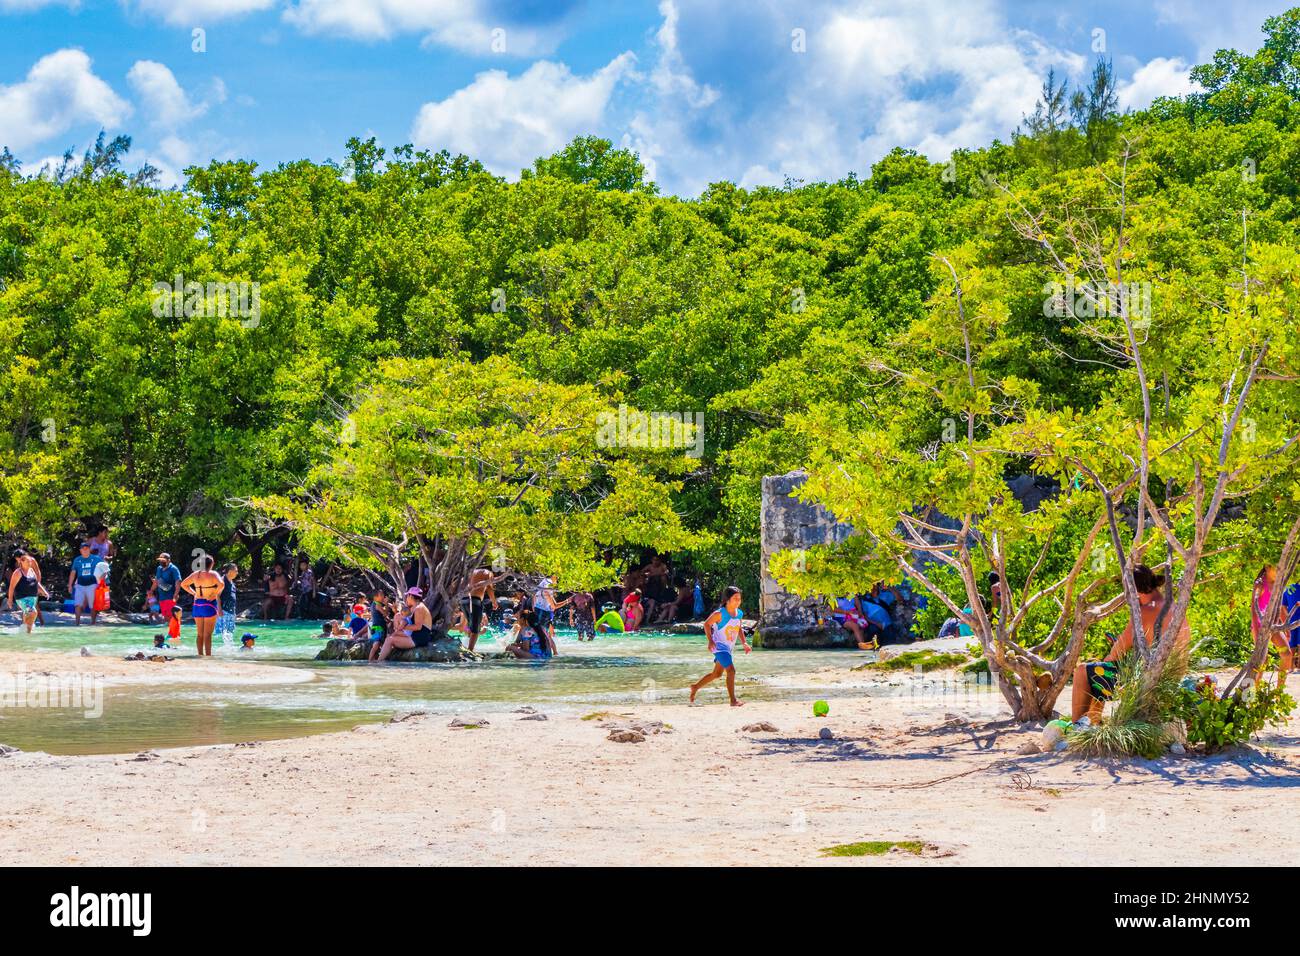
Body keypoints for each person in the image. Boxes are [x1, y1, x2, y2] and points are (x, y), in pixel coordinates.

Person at [1071, 564, 1191, 724]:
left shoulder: (1145, 610)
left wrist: (1108, 659)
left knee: (1084, 671)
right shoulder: (1172, 605)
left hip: (1148, 682)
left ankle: (1077, 727)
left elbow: (1116, 652)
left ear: (1134, 590)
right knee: (1102, 672)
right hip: (1171, 678)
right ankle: (1093, 722)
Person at [689, 586, 750, 706]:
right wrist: (710, 641)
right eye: (735, 598)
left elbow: (739, 629)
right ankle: (733, 701)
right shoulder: (719, 613)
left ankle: (695, 687)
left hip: (728, 648)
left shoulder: (739, 613)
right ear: (727, 599)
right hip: (719, 646)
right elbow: (706, 624)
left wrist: (744, 642)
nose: (738, 601)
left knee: (717, 674)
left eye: (739, 599)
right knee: (731, 671)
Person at [1251, 565, 1295, 690]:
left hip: (1274, 625)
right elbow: (1253, 610)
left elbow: (1279, 607)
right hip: (1259, 626)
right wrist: (1255, 631)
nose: (1278, 568)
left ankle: (1278, 692)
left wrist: (1285, 626)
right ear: (1266, 566)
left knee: (1287, 655)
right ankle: (1255, 692)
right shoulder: (1259, 584)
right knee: (1261, 661)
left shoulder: (1278, 583)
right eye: (1275, 566)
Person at [180, 555, 224, 657]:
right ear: (211, 564)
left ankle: (200, 655)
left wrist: (194, 593)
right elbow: (221, 584)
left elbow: (183, 584)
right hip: (209, 604)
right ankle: (208, 656)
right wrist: (214, 594)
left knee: (200, 634)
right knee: (208, 634)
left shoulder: (196, 574)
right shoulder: (213, 574)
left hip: (197, 605)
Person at [375, 588, 435, 661]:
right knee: (391, 636)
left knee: (390, 640)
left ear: (411, 596)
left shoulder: (419, 608)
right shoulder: (415, 607)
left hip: (419, 639)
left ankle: (379, 662)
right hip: (415, 635)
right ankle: (381, 658)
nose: (406, 598)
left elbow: (418, 627)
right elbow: (403, 616)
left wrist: (403, 627)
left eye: (407, 596)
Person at [6, 550, 48, 633]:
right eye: (28, 562)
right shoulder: (17, 572)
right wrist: (10, 600)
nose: (30, 563)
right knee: (33, 612)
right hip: (22, 597)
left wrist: (42, 590)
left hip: (32, 595)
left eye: (30, 561)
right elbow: (11, 587)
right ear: (21, 561)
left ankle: (23, 629)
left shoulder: (31, 567)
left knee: (28, 612)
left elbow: (37, 579)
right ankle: (29, 631)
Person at [461, 567, 499, 652]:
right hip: (473, 601)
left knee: (471, 626)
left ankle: (467, 646)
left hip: (463, 600)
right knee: (475, 629)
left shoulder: (471, 572)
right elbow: (489, 588)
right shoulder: (487, 573)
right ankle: (470, 651)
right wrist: (494, 602)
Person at [68, 541, 100, 625]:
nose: (85, 550)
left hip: (92, 584)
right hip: (80, 585)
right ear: (80, 551)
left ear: (89, 549)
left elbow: (104, 569)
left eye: (87, 549)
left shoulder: (96, 559)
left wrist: (102, 583)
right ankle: (77, 623)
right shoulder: (77, 560)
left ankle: (93, 623)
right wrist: (70, 585)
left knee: (92, 605)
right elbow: (73, 573)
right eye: (83, 549)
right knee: (78, 604)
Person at [151, 553, 182, 624]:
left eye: (163, 560)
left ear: (169, 560)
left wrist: (176, 594)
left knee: (173, 616)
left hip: (171, 596)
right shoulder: (159, 568)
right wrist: (151, 590)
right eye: (160, 560)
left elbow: (178, 581)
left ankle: (176, 634)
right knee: (165, 617)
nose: (161, 562)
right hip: (162, 597)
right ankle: (170, 633)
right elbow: (156, 581)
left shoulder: (173, 568)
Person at [216, 563, 239, 647]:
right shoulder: (222, 581)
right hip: (223, 611)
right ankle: (218, 650)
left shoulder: (232, 583)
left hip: (231, 612)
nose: (237, 573)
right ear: (229, 571)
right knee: (220, 633)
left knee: (230, 634)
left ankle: (228, 650)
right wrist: (219, 610)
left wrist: (234, 613)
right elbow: (217, 595)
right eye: (236, 571)